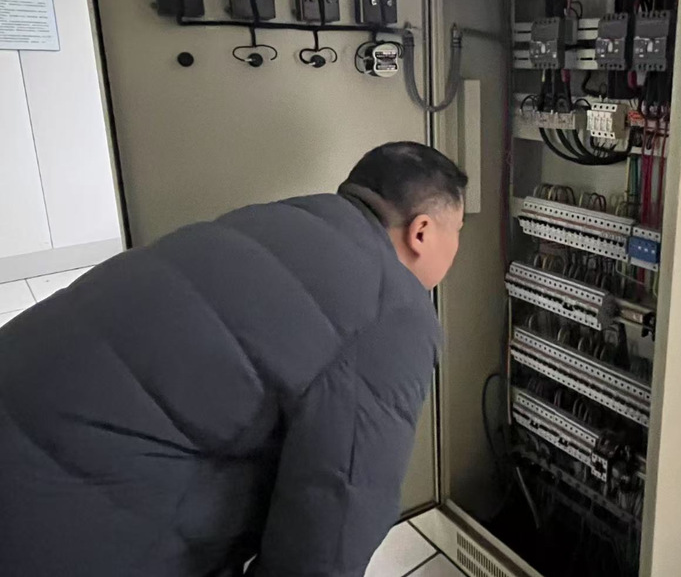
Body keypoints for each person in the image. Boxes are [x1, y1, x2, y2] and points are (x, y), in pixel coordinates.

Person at [0, 141, 467, 577]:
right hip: (55, 519)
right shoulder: (393, 311)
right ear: (422, 231)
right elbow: (334, 516)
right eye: (459, 232)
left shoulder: (273, 219)